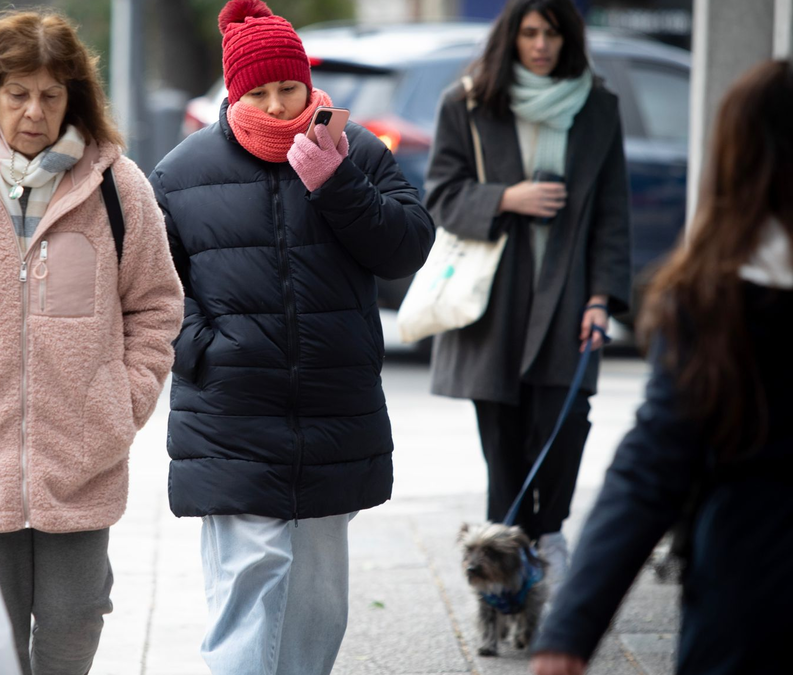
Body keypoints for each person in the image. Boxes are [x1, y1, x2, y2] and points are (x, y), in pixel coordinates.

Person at [0, 9, 183, 674]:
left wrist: (125, 399)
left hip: (80, 458)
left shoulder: (118, 189)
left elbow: (158, 303)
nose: (33, 112)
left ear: (73, 99)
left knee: (77, 619)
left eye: (51, 95)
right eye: (17, 93)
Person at [149, 1, 434, 672]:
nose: (278, 107)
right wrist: (208, 350)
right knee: (248, 592)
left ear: (309, 84)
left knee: (316, 608)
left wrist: (337, 183)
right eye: (260, 92)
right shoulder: (178, 174)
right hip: (232, 417)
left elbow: (406, 247)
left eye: (290, 89)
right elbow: (153, 293)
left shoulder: (355, 148)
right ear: (233, 91)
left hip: (333, 413)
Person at [530, 58, 793, 675]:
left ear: (736, 159)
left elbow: (652, 470)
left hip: (752, 599)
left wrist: (568, 633)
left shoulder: (717, 300)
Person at [424, 0, 631, 579]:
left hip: (568, 293)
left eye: (553, 34)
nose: (541, 45)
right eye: (530, 33)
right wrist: (506, 198)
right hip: (497, 297)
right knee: (503, 436)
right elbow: (440, 193)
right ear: (511, 38)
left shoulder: (597, 107)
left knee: (566, 422)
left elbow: (613, 211)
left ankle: (550, 534)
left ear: (570, 40)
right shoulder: (468, 103)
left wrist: (601, 297)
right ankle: (506, 566)